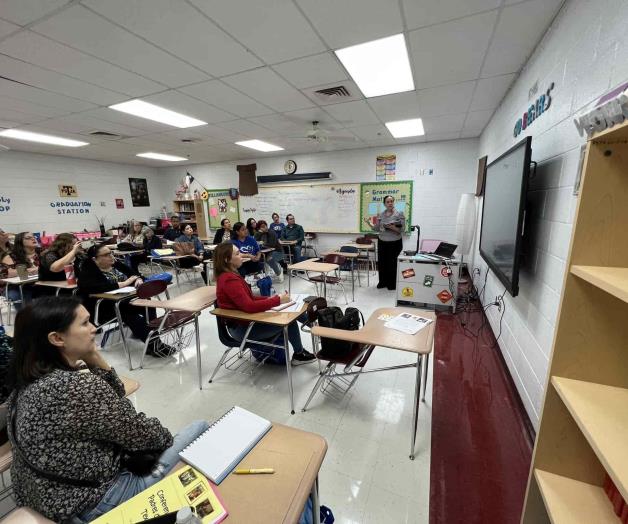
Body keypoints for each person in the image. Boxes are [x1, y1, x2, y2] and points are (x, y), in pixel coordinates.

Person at [5, 297, 209, 522]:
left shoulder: (25, 382)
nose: (95, 328)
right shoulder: (76, 388)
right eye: (84, 324)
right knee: (199, 428)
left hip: (47, 498)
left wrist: (92, 355)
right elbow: (151, 437)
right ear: (57, 338)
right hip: (95, 503)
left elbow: (115, 395)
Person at [214, 243, 315, 365]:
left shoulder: (231, 275)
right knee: (290, 320)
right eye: (237, 254)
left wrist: (273, 298)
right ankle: (309, 343)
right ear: (227, 259)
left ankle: (317, 329)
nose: (241, 255)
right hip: (242, 329)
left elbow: (250, 298)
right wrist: (277, 301)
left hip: (246, 323)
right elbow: (249, 306)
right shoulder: (229, 279)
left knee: (293, 309)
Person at [77, 244, 173, 356]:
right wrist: (124, 283)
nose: (111, 256)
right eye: (106, 255)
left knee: (148, 304)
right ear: (95, 259)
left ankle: (147, 335)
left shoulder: (115, 264)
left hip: (124, 300)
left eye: (111, 253)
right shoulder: (88, 271)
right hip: (105, 307)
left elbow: (134, 272)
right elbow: (90, 288)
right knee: (130, 313)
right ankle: (154, 345)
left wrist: (138, 279)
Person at [363, 195, 405, 290]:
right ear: (384, 204)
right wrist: (369, 223)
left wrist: (391, 227)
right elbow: (377, 228)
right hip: (382, 241)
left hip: (394, 243)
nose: (390, 203)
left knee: (392, 264)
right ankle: (382, 282)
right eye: (388, 202)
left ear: (393, 202)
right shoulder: (381, 214)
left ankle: (392, 284)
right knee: (382, 263)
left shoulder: (399, 214)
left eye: (391, 201)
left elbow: (402, 230)